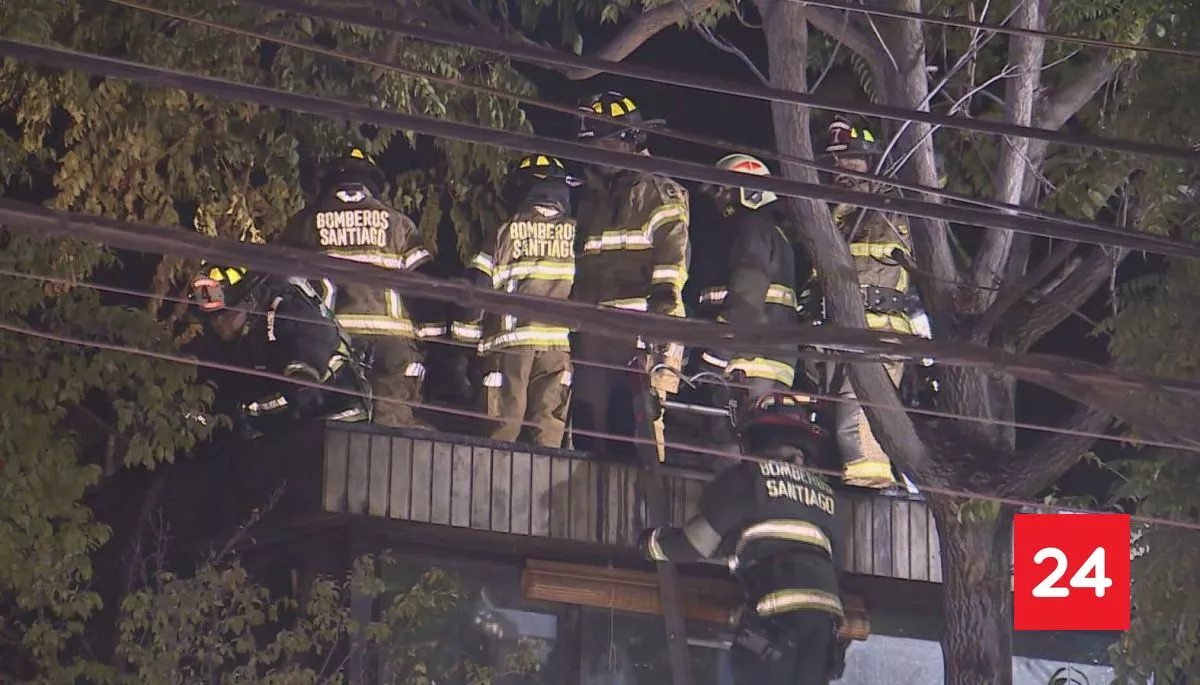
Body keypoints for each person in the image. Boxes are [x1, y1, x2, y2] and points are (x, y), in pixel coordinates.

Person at [638, 392, 845, 685]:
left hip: (777, 619)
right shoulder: (828, 497)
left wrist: (650, 544)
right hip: (825, 628)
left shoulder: (748, 477)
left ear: (755, 439)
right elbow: (833, 564)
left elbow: (695, 544)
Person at [278, 147, 439, 430]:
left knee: (338, 426)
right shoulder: (398, 224)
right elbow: (425, 289)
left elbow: (285, 287)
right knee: (393, 432)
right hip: (394, 343)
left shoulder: (304, 223)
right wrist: (434, 342)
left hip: (334, 343)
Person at [570, 91, 690, 463]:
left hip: (640, 334)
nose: (600, 153)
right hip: (592, 334)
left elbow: (672, 266)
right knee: (589, 428)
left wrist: (660, 334)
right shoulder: (590, 196)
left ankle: (642, 516)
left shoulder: (658, 193)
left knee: (637, 433)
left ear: (630, 138)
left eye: (607, 142)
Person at [451, 154, 581, 447]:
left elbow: (475, 293)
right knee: (548, 436)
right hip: (558, 352)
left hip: (509, 350)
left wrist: (462, 348)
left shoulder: (503, 232)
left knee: (500, 436)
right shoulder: (577, 235)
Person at [688, 153, 805, 449]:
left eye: (722, 190)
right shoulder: (772, 234)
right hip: (763, 363)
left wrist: (715, 356)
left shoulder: (751, 229)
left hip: (747, 365)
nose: (717, 199)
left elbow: (745, 302)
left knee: (731, 453)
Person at [821, 115, 914, 490]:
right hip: (838, 337)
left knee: (856, 424)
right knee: (837, 423)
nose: (842, 169)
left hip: (879, 333)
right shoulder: (834, 217)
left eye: (852, 160)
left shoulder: (892, 209)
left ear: (872, 162)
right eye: (837, 162)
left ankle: (875, 495)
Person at [187, 262, 371, 437]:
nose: (219, 323)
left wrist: (301, 378)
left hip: (338, 419)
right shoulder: (231, 341)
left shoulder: (287, 313)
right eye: (212, 318)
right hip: (288, 432)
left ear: (250, 302)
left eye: (226, 314)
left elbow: (306, 361)